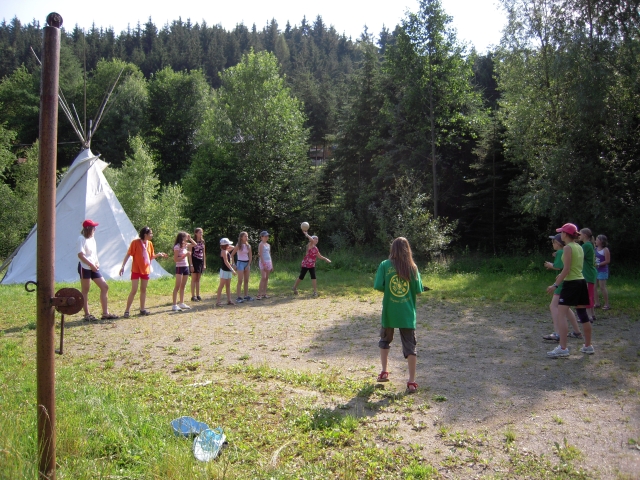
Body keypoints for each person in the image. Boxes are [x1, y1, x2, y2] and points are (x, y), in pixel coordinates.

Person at [374, 237, 423, 392]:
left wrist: (390, 291)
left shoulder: (384, 265)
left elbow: (378, 285)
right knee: (410, 346)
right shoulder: (412, 267)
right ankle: (411, 381)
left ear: (392, 249)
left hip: (390, 311)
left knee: (385, 340)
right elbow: (418, 290)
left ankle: (384, 371)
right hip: (407, 313)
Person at [546, 223, 594, 357]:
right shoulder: (579, 247)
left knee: (561, 314)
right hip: (581, 282)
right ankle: (588, 346)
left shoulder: (567, 248)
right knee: (583, 314)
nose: (560, 234)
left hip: (571, 284)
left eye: (562, 232)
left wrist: (555, 285)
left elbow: (566, 269)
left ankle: (563, 348)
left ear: (565, 234)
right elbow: (573, 267)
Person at [119, 226, 168, 317]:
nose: (152, 235)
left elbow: (151, 257)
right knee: (134, 290)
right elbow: (128, 254)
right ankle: (127, 311)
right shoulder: (135, 243)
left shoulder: (150, 244)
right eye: (150, 233)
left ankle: (142, 309)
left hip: (145, 270)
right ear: (145, 234)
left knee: (143, 289)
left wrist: (159, 255)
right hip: (136, 270)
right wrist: (123, 266)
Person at [543, 234, 582, 341]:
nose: (552, 244)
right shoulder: (570, 249)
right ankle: (577, 332)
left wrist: (551, 265)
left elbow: (559, 267)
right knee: (566, 308)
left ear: (558, 243)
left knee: (553, 306)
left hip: (562, 283)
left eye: (553, 242)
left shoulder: (562, 251)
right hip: (569, 281)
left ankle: (558, 333)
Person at [76, 219, 118, 321]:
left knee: (104, 287)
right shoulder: (81, 239)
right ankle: (87, 315)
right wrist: (90, 264)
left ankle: (105, 313)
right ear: (89, 229)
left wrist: (96, 263)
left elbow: (93, 254)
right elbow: (80, 255)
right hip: (85, 267)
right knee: (85, 290)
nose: (95, 229)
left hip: (94, 267)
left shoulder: (92, 239)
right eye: (93, 227)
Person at [292, 231, 331, 296]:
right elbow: (311, 240)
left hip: (312, 265)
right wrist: (306, 234)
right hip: (306, 264)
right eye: (315, 239)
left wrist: (326, 259)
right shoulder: (309, 245)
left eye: (317, 239)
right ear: (311, 240)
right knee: (301, 276)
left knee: (313, 277)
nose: (316, 240)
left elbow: (319, 256)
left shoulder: (316, 248)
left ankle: (315, 292)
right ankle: (294, 287)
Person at [172, 231, 196, 312]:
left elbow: (195, 244)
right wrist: (185, 255)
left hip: (186, 266)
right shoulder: (177, 246)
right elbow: (175, 259)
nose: (187, 238)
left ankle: (181, 303)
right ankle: (174, 304)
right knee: (177, 286)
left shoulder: (185, 245)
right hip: (179, 267)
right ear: (182, 237)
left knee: (183, 286)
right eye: (186, 237)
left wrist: (190, 238)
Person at [579, 228, 598, 322]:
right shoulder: (589, 245)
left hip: (588, 274)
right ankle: (592, 314)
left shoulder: (586, 245)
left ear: (585, 235)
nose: (579, 235)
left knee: (587, 295)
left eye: (580, 234)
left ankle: (588, 316)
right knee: (590, 294)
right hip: (590, 273)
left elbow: (578, 256)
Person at [231, 231, 253, 303]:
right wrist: (233, 264)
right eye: (245, 236)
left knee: (246, 280)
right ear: (241, 237)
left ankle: (246, 295)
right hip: (240, 263)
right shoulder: (238, 245)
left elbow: (250, 256)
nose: (247, 238)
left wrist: (248, 265)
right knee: (240, 280)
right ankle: (238, 297)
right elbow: (232, 255)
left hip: (247, 263)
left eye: (247, 236)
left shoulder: (248, 246)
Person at [216, 238, 237, 306]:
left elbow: (233, 247)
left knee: (228, 286)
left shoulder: (226, 251)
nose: (229, 245)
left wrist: (227, 245)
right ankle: (218, 301)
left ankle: (229, 300)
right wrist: (232, 269)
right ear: (225, 245)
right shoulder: (224, 252)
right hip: (224, 271)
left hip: (228, 271)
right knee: (221, 286)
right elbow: (226, 261)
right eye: (227, 244)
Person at [594, 234, 610, 310]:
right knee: (594, 287)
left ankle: (607, 304)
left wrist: (598, 264)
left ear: (601, 241)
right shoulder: (595, 249)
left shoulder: (605, 250)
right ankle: (597, 303)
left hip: (602, 271)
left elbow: (607, 261)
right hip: (595, 270)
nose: (595, 241)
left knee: (602, 287)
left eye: (597, 240)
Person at [190, 228, 206, 302]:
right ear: (196, 233)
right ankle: (193, 296)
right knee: (194, 278)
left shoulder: (202, 241)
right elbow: (190, 254)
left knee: (198, 279)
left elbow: (204, 253)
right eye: (200, 232)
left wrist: (204, 264)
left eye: (202, 232)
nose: (201, 234)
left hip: (200, 261)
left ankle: (198, 295)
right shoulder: (193, 242)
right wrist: (191, 265)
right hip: (194, 261)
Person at [257, 231, 273, 299]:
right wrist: (264, 264)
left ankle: (264, 293)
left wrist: (271, 264)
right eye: (265, 236)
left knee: (266, 278)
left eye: (267, 236)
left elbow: (269, 254)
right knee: (263, 277)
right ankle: (259, 294)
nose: (267, 237)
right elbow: (260, 254)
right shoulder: (261, 244)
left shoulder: (268, 245)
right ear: (261, 237)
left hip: (268, 261)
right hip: (263, 262)